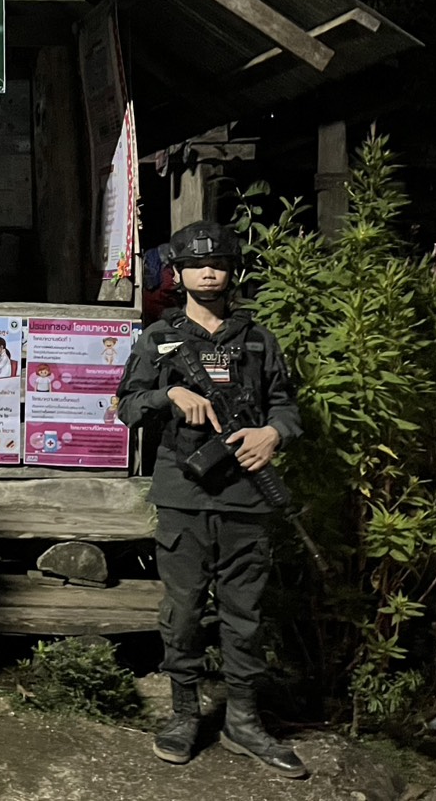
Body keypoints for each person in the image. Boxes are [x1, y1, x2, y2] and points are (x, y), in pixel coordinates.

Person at [115, 220, 307, 778]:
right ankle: (183, 713)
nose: (208, 272)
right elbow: (127, 405)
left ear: (232, 272)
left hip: (247, 496)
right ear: (177, 274)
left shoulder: (259, 340)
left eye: (218, 264)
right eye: (196, 264)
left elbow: (286, 406)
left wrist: (273, 433)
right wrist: (170, 393)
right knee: (182, 612)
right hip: (184, 494)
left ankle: (243, 720)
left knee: (245, 614)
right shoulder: (159, 338)